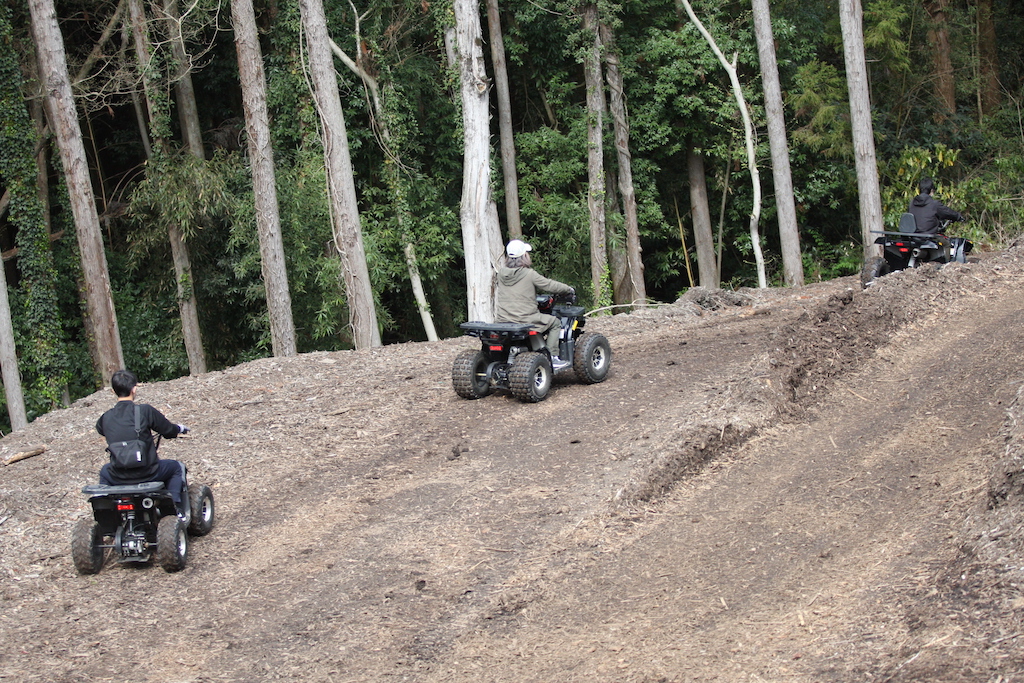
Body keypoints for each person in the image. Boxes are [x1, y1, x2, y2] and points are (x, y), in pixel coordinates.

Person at [96, 369, 191, 521]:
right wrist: (179, 429)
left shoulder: (105, 417)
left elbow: (101, 430)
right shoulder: (144, 411)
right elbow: (168, 430)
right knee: (176, 467)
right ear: (134, 389)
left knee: (104, 471)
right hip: (148, 473)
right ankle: (175, 510)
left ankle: (107, 514)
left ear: (113, 391)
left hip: (118, 475)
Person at [495, 239, 575, 369]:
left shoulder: (501, 274)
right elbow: (549, 285)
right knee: (555, 322)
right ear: (524, 256)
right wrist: (568, 289)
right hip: (525, 318)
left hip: (503, 319)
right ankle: (552, 357)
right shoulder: (529, 274)